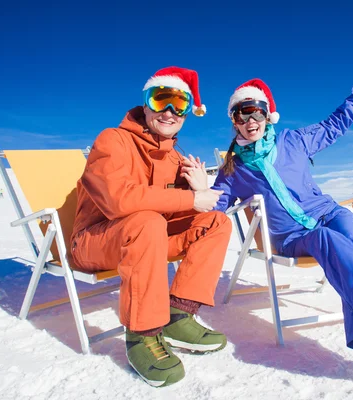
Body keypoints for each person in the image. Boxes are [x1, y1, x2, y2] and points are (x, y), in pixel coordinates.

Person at [204, 52, 353, 383]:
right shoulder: (232, 169)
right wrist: (196, 190)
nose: (250, 120)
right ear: (233, 121)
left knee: (347, 226)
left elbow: (334, 124)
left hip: (325, 211)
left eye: (256, 111)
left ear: (268, 114)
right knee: (328, 240)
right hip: (291, 237)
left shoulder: (293, 141)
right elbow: (215, 206)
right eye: (241, 114)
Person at [70, 67, 232, 387]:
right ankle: (143, 334)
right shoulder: (112, 140)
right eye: (161, 101)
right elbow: (118, 201)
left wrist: (197, 188)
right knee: (146, 221)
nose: (170, 112)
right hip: (93, 241)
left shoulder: (174, 158)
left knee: (216, 222)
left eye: (180, 105)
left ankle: (178, 313)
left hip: (145, 238)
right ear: (146, 105)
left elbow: (182, 211)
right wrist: (190, 199)